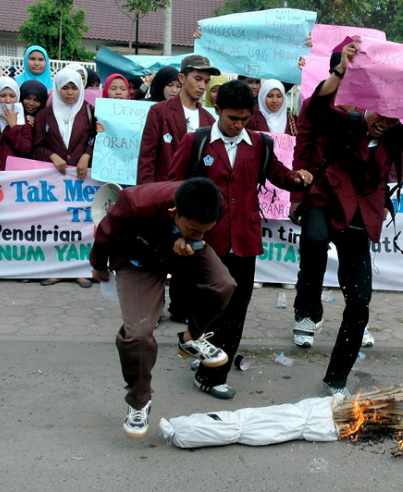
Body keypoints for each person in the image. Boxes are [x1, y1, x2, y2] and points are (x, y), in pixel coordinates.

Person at [291, 41, 403, 395]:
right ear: (367, 107)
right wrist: (341, 69)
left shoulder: (399, 136)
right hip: (325, 203)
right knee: (312, 241)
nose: (382, 124)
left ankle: (336, 379)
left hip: (360, 220)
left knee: (359, 303)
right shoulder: (344, 121)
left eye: (391, 119)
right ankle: (308, 309)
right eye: (378, 116)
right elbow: (317, 107)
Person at [170, 80, 313, 398]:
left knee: (237, 308)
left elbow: (279, 174)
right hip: (206, 240)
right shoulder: (198, 142)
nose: (238, 125)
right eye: (232, 118)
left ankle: (212, 376)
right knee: (210, 303)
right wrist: (177, 232)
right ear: (216, 110)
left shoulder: (261, 144)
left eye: (244, 119)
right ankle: (204, 352)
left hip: (245, 240)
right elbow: (173, 185)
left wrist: (298, 178)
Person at [90, 177, 236, 438]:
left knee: (223, 284)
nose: (201, 235)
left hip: (180, 252)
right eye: (194, 230)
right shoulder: (134, 203)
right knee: (138, 335)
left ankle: (192, 339)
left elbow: (201, 236)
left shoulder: (204, 209)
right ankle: (139, 400)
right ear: (173, 213)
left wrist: (191, 239)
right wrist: (99, 265)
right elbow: (106, 232)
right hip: (138, 260)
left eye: (205, 231)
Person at [33, 69, 97, 288]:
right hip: (55, 182)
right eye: (65, 87)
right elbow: (37, 146)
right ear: (58, 88)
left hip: (81, 182)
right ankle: (57, 270)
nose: (70, 93)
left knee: (80, 226)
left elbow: (96, 138)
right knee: (57, 225)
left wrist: (87, 155)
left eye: (74, 88)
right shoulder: (45, 115)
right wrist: (52, 156)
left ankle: (81, 271)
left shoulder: (89, 112)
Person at [137, 55, 218, 184]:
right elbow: (146, 161)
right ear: (182, 78)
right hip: (163, 194)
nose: (202, 86)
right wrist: (147, 197)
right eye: (198, 79)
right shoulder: (159, 112)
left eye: (207, 81)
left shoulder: (209, 120)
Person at [0, 77, 32, 171]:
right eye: (2, 95)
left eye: (12, 96)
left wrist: (14, 127)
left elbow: (25, 150)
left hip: (12, 177)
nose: (8, 100)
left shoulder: (24, 120)